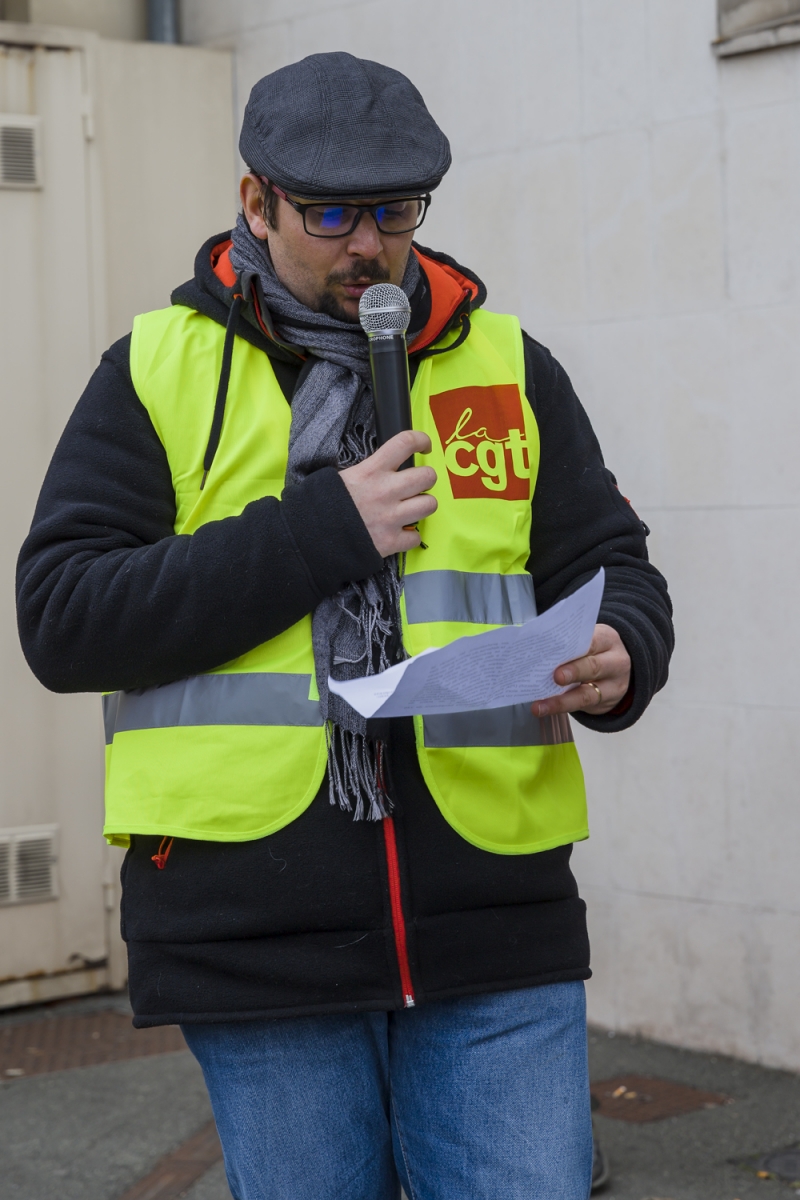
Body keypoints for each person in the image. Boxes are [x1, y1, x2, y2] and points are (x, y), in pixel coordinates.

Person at [16, 52, 672, 1200]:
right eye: (326, 210)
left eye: (395, 210)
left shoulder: (509, 368)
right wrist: (322, 531)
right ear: (254, 202)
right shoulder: (154, 372)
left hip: (493, 923)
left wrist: (624, 648)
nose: (366, 245)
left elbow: (609, 562)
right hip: (252, 931)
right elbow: (65, 619)